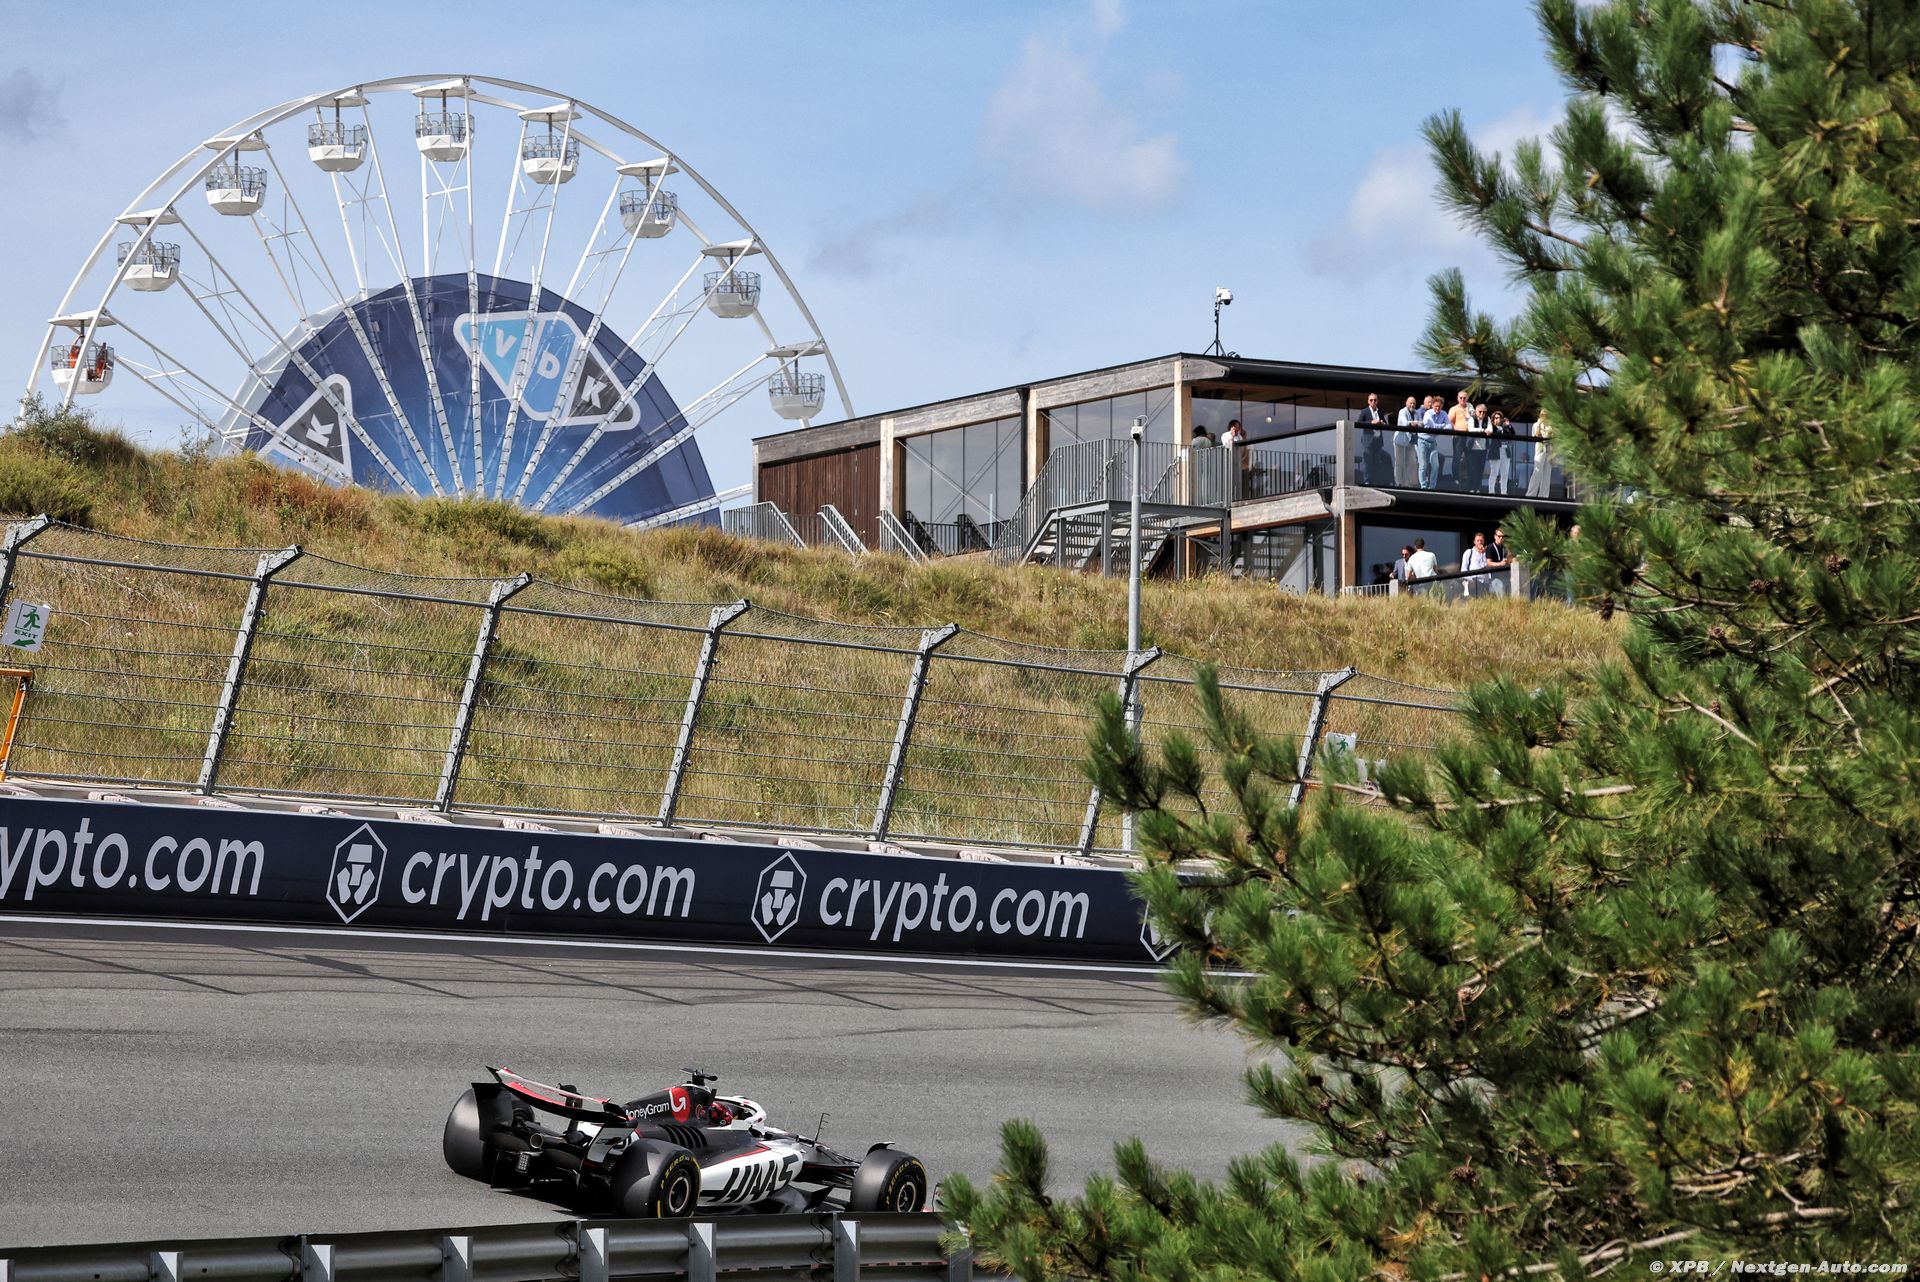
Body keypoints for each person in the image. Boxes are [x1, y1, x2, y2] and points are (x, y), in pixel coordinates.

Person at [1418, 396, 1449, 489]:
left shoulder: (1444, 413)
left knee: (1435, 465)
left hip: (1432, 442)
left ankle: (1432, 486)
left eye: (1439, 406)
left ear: (1442, 406)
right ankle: (1423, 486)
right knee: (1423, 465)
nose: (1437, 408)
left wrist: (1442, 426)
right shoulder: (1428, 413)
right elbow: (1433, 426)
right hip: (1422, 441)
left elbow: (1449, 426)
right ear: (1432, 406)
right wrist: (1442, 426)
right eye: (1436, 406)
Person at [1526, 408, 1555, 498]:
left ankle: (1544, 496)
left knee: (1547, 473)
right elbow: (1537, 435)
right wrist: (1539, 425)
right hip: (1540, 449)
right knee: (1537, 471)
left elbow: (1553, 438)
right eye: (1543, 415)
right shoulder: (1536, 424)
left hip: (1549, 450)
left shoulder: (1551, 427)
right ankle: (1531, 494)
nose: (1545, 417)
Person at [1487, 410, 1516, 494]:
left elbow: (1513, 435)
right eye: (1496, 418)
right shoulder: (1492, 427)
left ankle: (1504, 491)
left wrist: (1508, 425)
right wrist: (1501, 428)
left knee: (1505, 473)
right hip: (1496, 451)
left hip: (1505, 451)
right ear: (1493, 419)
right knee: (1494, 472)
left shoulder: (1505, 428)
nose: (1498, 419)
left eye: (1500, 418)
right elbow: (1494, 432)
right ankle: (1491, 491)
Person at [1461, 531, 1493, 598]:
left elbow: (1489, 567)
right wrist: (1471, 581)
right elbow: (1463, 569)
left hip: (1485, 583)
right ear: (1474, 542)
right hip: (1474, 582)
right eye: (1478, 540)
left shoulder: (1486, 553)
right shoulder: (1469, 552)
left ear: (1483, 541)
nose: (1479, 542)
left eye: (1481, 540)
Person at [1485, 526, 1513, 595]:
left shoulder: (1504, 548)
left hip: (1506, 577)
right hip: (1496, 578)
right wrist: (1500, 564)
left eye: (1502, 537)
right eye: (1499, 536)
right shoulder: (1490, 547)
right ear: (1495, 536)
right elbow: (1489, 563)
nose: (1501, 538)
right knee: (1502, 597)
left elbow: (1509, 560)